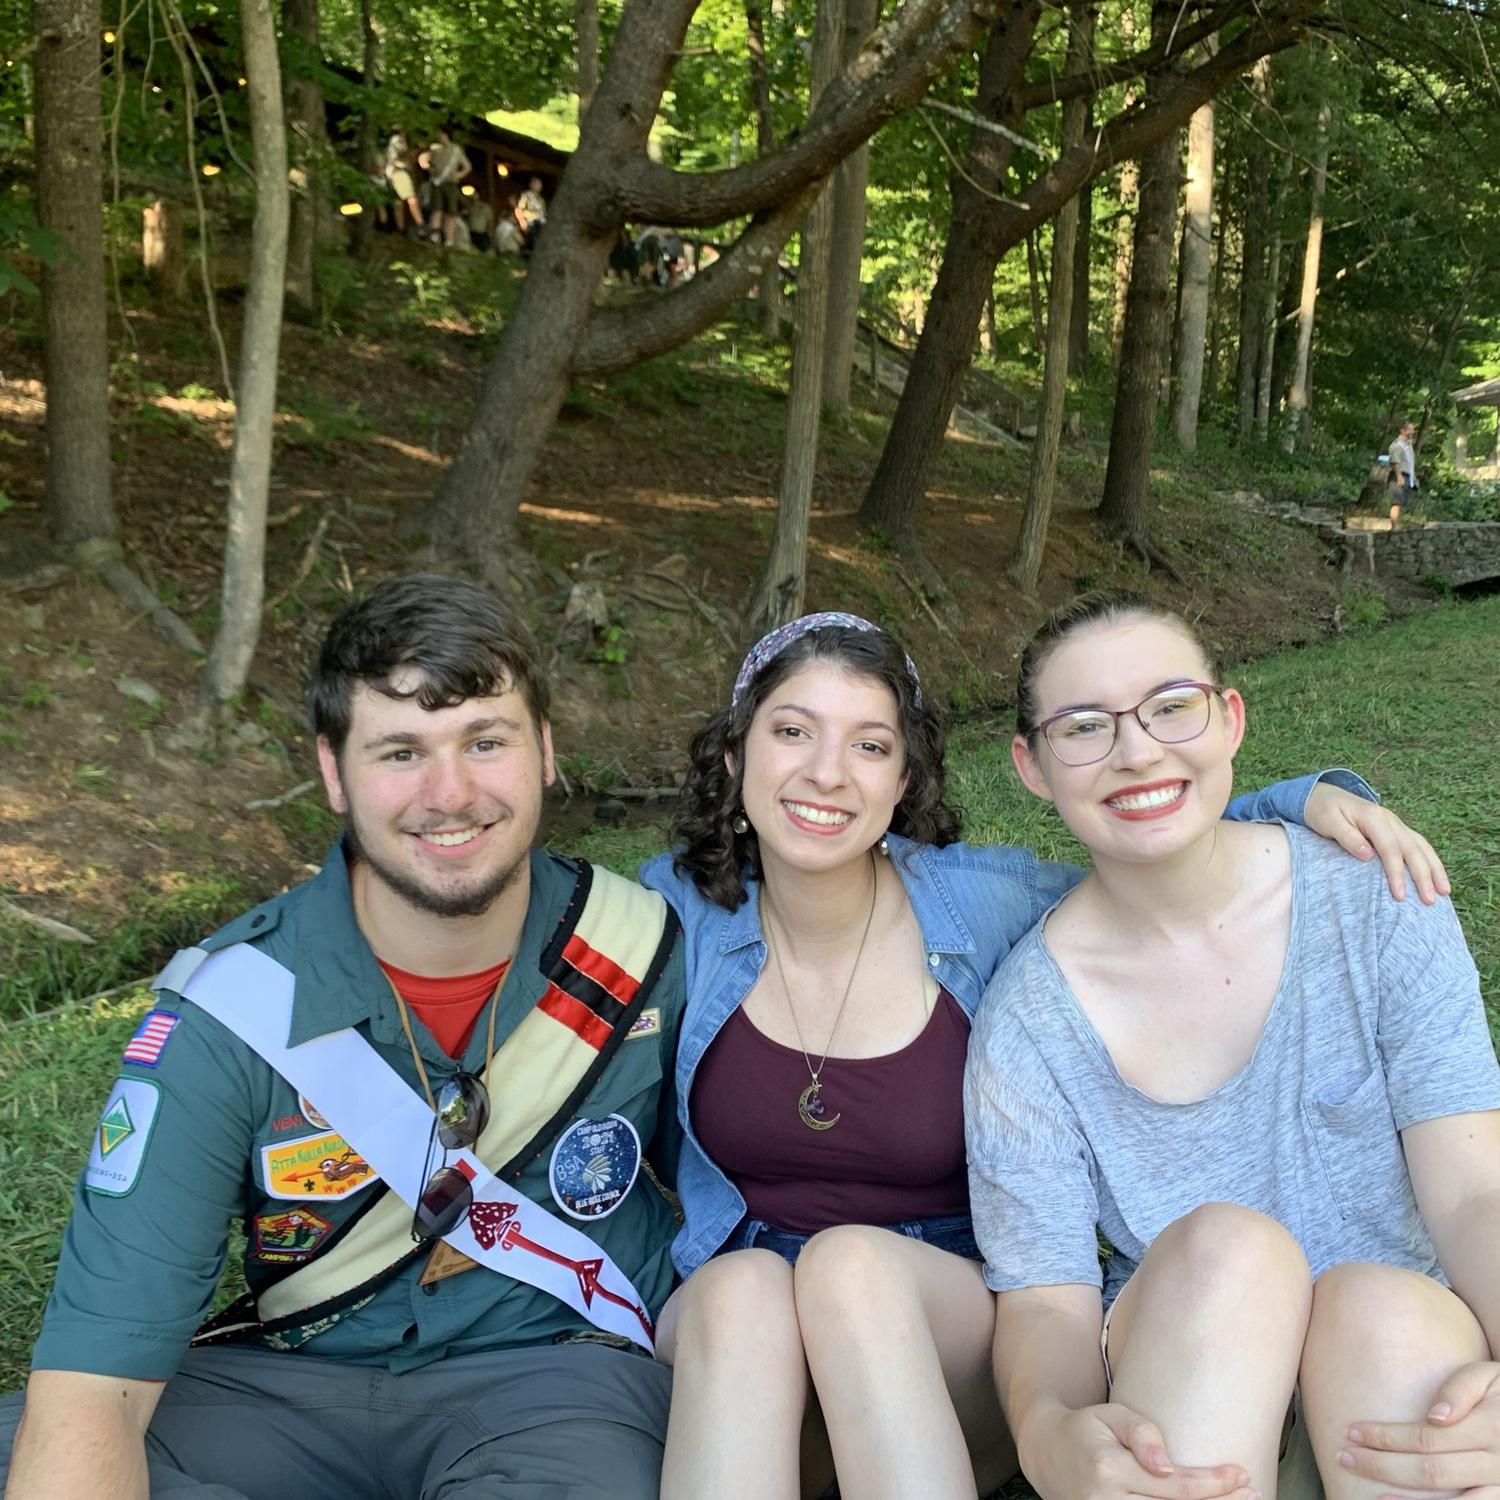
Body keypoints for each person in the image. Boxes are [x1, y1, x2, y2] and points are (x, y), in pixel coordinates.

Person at [640, 611, 1446, 1500]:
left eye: (869, 745)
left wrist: (1293, 803)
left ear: (902, 778)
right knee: (739, 1290)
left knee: (846, 1268)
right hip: (747, 1323)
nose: (826, 772)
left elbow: (1153, 854)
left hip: (931, 1315)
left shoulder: (985, 907)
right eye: (792, 732)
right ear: (734, 754)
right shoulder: (668, 918)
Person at [0, 574, 686, 1500]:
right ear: (332, 773)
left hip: (555, 1380)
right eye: (401, 752)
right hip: (289, 1385)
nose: (451, 794)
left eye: (486, 742)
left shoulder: (643, 950)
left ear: (546, 752)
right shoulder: (231, 1007)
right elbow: (97, 1373)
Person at [966, 591, 1499, 1500]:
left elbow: (1473, 1190)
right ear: (1031, 765)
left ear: (1230, 719)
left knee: (1376, 1305)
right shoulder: (1027, 1023)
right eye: (1084, 727)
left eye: (1171, 706)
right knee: (1229, 1252)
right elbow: (1046, 1296)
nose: (1138, 751)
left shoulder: (1375, 897)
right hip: (1190, 1381)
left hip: (1396, 1368)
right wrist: (1047, 1428)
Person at [428, 127, 472, 248]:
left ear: (446, 135)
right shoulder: (435, 149)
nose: (439, 137)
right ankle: (434, 236)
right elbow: (429, 163)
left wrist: (458, 174)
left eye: (440, 134)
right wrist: (430, 169)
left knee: (450, 212)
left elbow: (467, 166)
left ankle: (449, 240)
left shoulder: (455, 150)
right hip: (437, 182)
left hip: (450, 183)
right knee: (436, 209)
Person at [383, 127, 425, 235]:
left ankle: (401, 229)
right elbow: (401, 156)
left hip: (391, 172)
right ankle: (420, 224)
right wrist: (415, 149)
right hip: (398, 171)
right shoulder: (398, 140)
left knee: (398, 202)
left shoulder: (392, 141)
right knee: (411, 198)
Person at [1389, 418, 1418, 527]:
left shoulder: (1408, 445)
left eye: (1413, 430)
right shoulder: (1396, 445)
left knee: (1402, 503)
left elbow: (1410, 462)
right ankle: (1394, 528)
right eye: (1410, 430)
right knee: (1396, 502)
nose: (1412, 432)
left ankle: (1398, 525)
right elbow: (1394, 462)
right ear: (1402, 430)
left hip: (1408, 476)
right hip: (1399, 475)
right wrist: (1399, 476)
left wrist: (1413, 477)